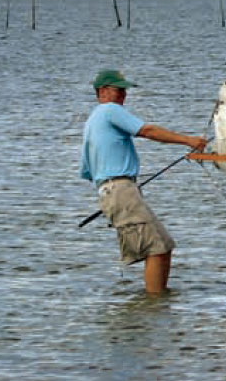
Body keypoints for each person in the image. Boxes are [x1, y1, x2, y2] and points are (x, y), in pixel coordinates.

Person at [80, 68, 207, 294]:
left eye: (124, 91)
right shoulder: (109, 110)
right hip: (119, 190)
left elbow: (88, 170)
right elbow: (146, 130)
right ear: (102, 92)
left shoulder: (92, 121)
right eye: (118, 91)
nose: (123, 96)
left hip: (117, 189)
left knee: (164, 245)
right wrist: (188, 140)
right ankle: (153, 305)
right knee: (155, 250)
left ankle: (158, 303)